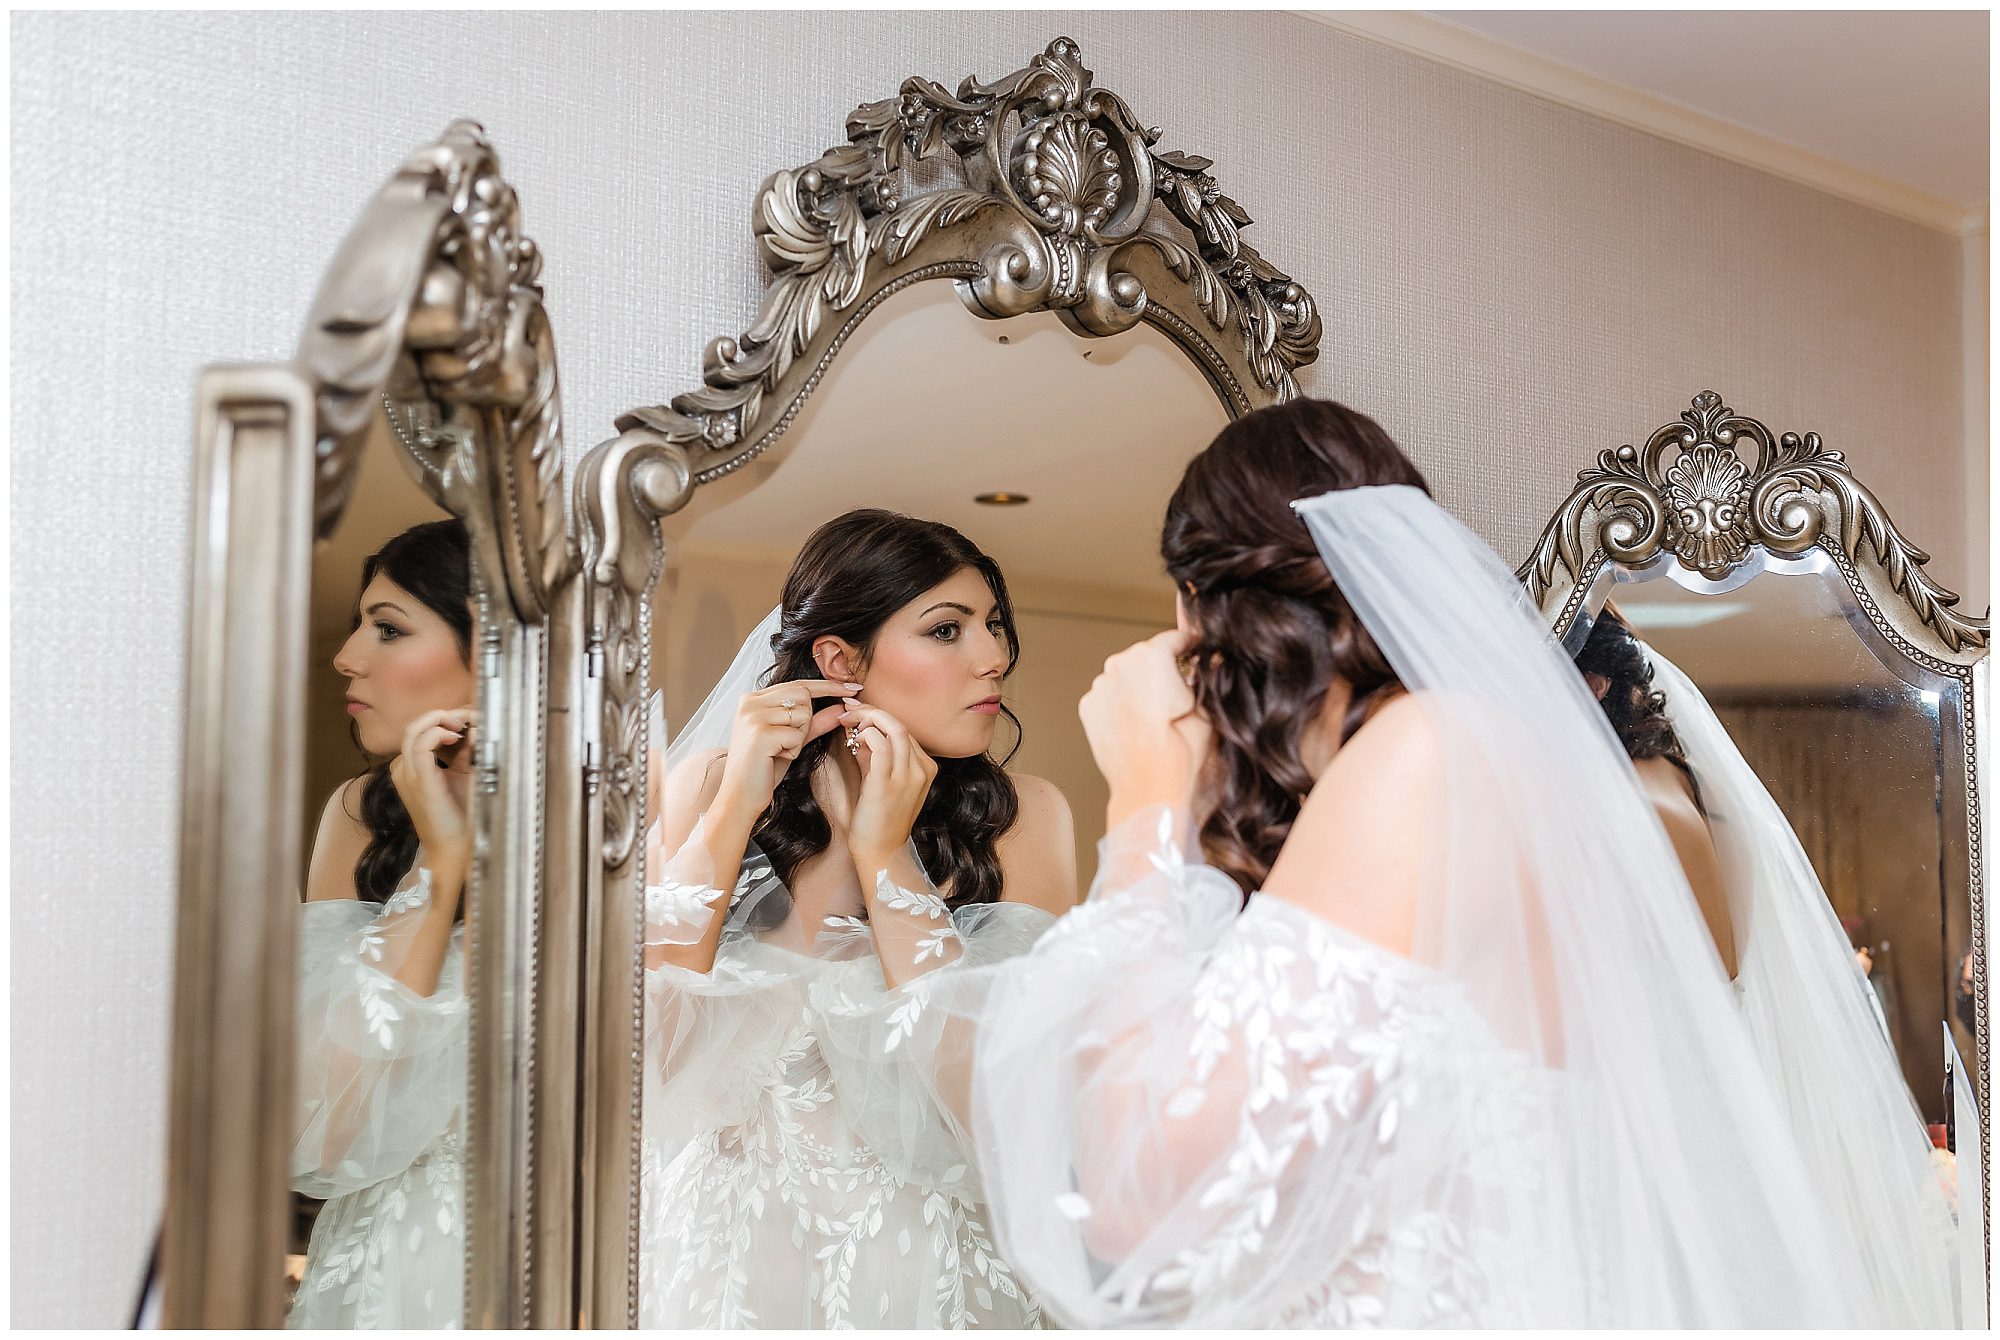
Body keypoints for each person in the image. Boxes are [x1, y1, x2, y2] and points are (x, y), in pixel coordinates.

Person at [961, 399, 1850, 1326]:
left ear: (1210, 608)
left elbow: (1132, 1201)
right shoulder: (1483, 766)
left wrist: (1146, 796)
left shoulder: (1425, 755)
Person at [639, 509, 1077, 1328]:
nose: (994, 656)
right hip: (726, 1274)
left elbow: (990, 1106)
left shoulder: (1023, 820)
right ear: (841, 661)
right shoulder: (709, 787)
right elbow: (646, 1061)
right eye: (946, 629)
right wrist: (735, 808)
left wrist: (885, 855)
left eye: (992, 625)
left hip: (924, 1275)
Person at [1580, 606, 1955, 1326]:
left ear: (1594, 686)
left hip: (1674, 1128)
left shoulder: (1645, 803)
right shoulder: (1673, 785)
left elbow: (1706, 979)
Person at [288, 519, 476, 1329]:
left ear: (498, 648)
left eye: (388, 628)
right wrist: (439, 861)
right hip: (384, 1271)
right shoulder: (359, 813)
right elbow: (324, 1133)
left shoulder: (617, 812)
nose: (346, 657)